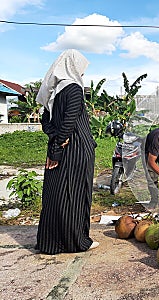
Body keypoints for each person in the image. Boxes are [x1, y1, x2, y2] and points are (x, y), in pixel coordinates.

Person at [35, 49, 98, 254]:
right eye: (81, 69)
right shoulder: (74, 89)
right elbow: (69, 123)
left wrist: (54, 145)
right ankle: (76, 241)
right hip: (77, 150)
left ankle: (51, 242)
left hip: (61, 147)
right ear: (73, 67)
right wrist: (57, 149)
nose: (82, 74)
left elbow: (46, 123)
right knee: (75, 194)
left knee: (56, 195)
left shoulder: (53, 93)